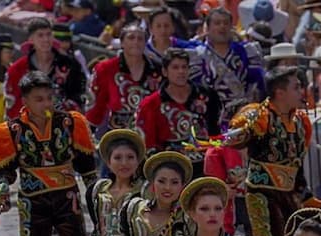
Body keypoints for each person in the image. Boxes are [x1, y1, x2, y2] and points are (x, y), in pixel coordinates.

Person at [0, 71, 96, 236]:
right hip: (32, 202)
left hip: (68, 198)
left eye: (49, 98)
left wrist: (97, 193)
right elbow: (4, 170)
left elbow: (85, 166)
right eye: (39, 99)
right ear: (25, 101)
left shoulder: (69, 123)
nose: (46, 103)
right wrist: (0, 186)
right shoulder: (13, 130)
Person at [226, 66, 313, 236]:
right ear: (280, 92)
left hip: (289, 193)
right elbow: (235, 138)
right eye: (297, 87)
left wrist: (306, 194)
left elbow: (296, 162)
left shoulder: (300, 121)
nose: (302, 91)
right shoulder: (260, 115)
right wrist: (245, 129)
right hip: (262, 193)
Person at [136, 48, 222, 180]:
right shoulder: (150, 104)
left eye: (184, 67)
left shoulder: (207, 95)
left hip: (205, 167)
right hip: (170, 172)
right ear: (165, 71)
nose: (181, 72)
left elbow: (215, 132)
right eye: (175, 67)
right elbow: (148, 145)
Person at [190, 7, 265, 127]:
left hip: (243, 120)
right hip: (208, 121)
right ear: (208, 28)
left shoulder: (246, 52)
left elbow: (258, 86)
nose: (222, 27)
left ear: (231, 27)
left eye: (226, 23)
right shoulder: (197, 55)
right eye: (217, 23)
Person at [85, 23, 163, 132]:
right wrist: (88, 132)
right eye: (131, 38)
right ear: (122, 43)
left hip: (151, 132)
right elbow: (97, 105)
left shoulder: (158, 69)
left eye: (140, 39)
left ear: (145, 43)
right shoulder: (106, 69)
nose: (136, 42)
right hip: (118, 133)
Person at [4, 17, 86, 119]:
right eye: (40, 35)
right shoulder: (17, 69)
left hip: (63, 125)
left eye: (48, 34)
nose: (46, 39)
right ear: (31, 39)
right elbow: (12, 107)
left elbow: (80, 95)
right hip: (28, 127)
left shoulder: (69, 64)